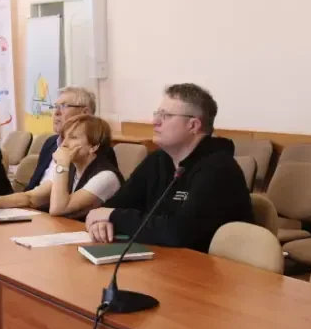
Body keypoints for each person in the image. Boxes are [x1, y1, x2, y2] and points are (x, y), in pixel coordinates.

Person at [86, 83, 254, 253]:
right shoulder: (157, 160)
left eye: (165, 116)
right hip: (164, 259)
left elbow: (178, 232)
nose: (155, 122)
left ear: (193, 125)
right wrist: (103, 221)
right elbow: (116, 204)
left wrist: (112, 216)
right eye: (157, 114)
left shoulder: (219, 169)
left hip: (211, 265)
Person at [0, 115, 123, 220]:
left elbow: (59, 208)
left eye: (73, 138)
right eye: (64, 137)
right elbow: (31, 197)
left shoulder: (106, 176)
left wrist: (62, 165)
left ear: (94, 146)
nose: (64, 144)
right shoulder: (71, 168)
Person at [25, 86, 104, 192]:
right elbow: (31, 188)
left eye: (63, 106)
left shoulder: (97, 150)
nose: (56, 112)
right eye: (55, 106)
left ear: (85, 113)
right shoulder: (50, 142)